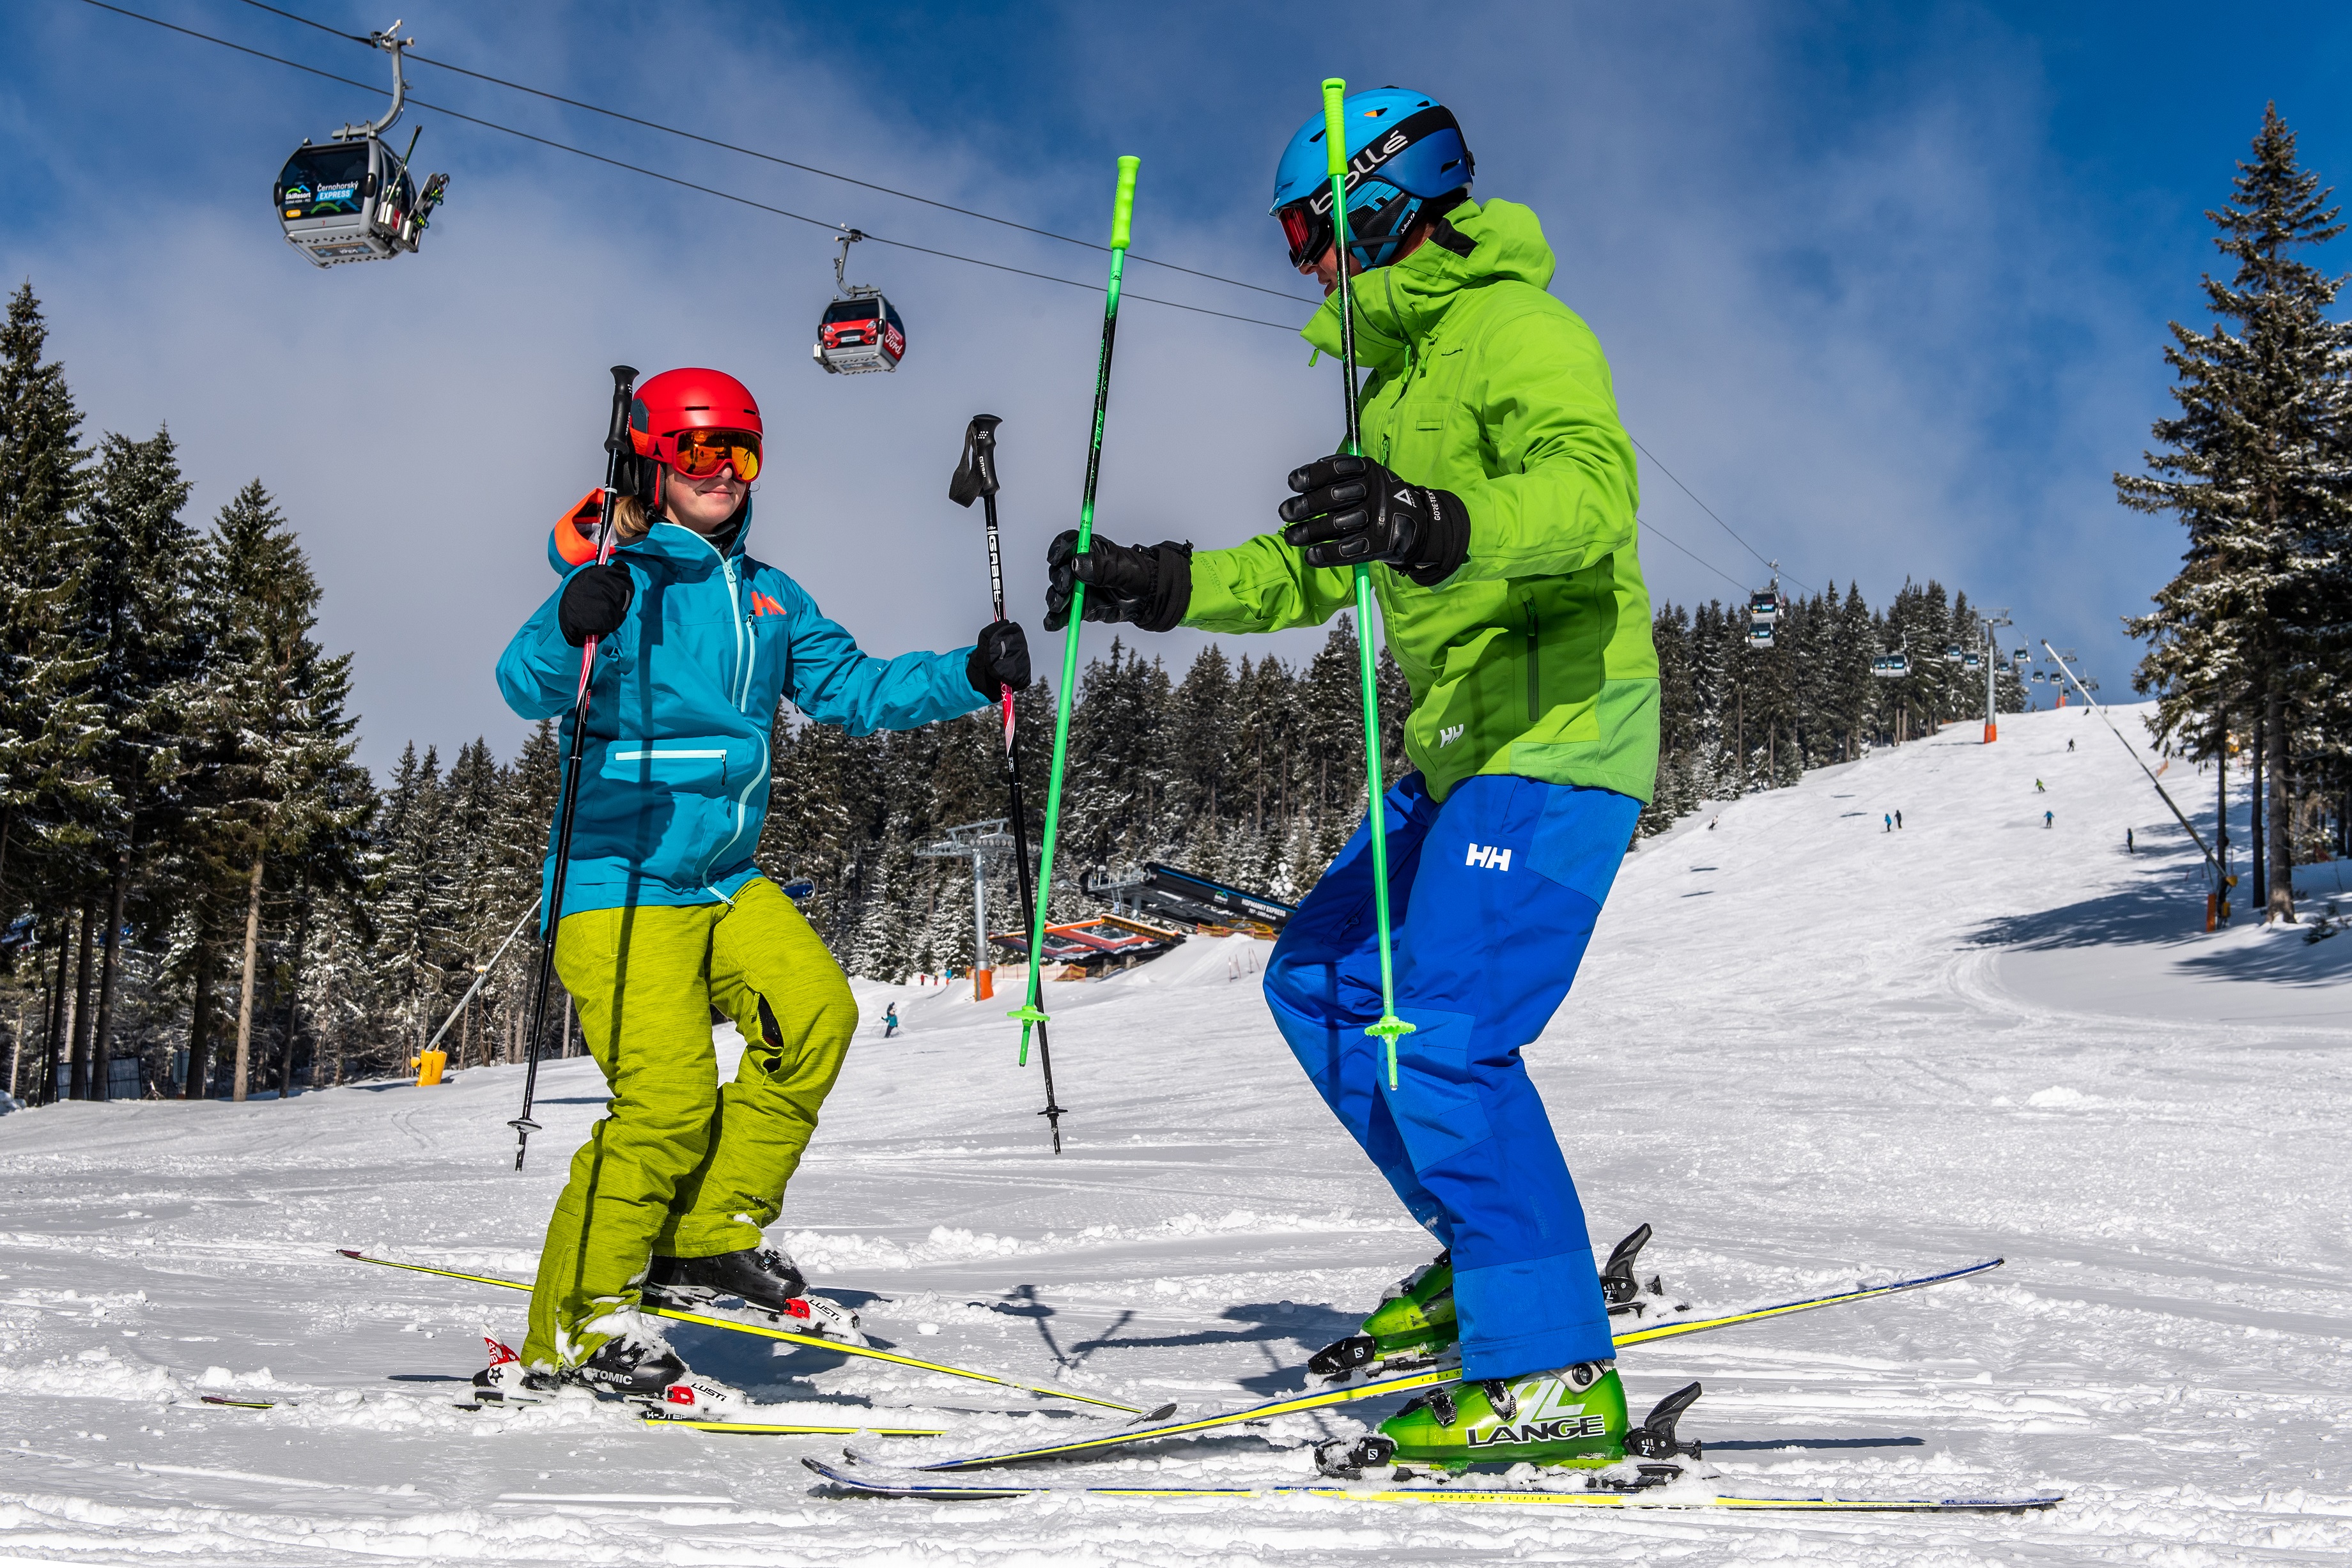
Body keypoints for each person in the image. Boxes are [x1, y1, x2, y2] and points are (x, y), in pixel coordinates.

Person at [1046, 88, 1660, 1474]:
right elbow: (1313, 570)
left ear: (1381, 203)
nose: (1299, 263)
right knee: (1323, 980)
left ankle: (1552, 1378)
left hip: (1555, 739)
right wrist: (1157, 582)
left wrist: (1435, 520)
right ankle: (1484, 1249)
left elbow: (1590, 500)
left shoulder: (1521, 330)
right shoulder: (1387, 389)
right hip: (1453, 755)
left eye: (1304, 231)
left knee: (1441, 1029)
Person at [494, 367, 1028, 1394]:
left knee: (816, 1012)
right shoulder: (617, 580)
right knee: (668, 1101)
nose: (723, 471)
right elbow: (524, 684)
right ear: (652, 460)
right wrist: (571, 621)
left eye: (740, 451)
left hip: (721, 877)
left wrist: (970, 672)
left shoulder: (769, 596)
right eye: (698, 451)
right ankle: (577, 1326)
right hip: (619, 877)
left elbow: (856, 688)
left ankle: (703, 1233)